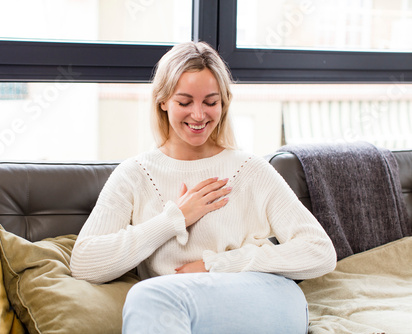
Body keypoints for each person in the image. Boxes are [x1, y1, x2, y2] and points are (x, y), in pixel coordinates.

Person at [70, 41, 337, 334]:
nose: (198, 115)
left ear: (223, 103)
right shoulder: (135, 174)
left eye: (210, 102)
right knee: (154, 298)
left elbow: (320, 252)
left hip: (266, 297)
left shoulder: (250, 169)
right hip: (180, 309)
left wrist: (217, 264)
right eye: (184, 102)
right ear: (162, 101)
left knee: (150, 296)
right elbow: (85, 263)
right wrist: (174, 219)